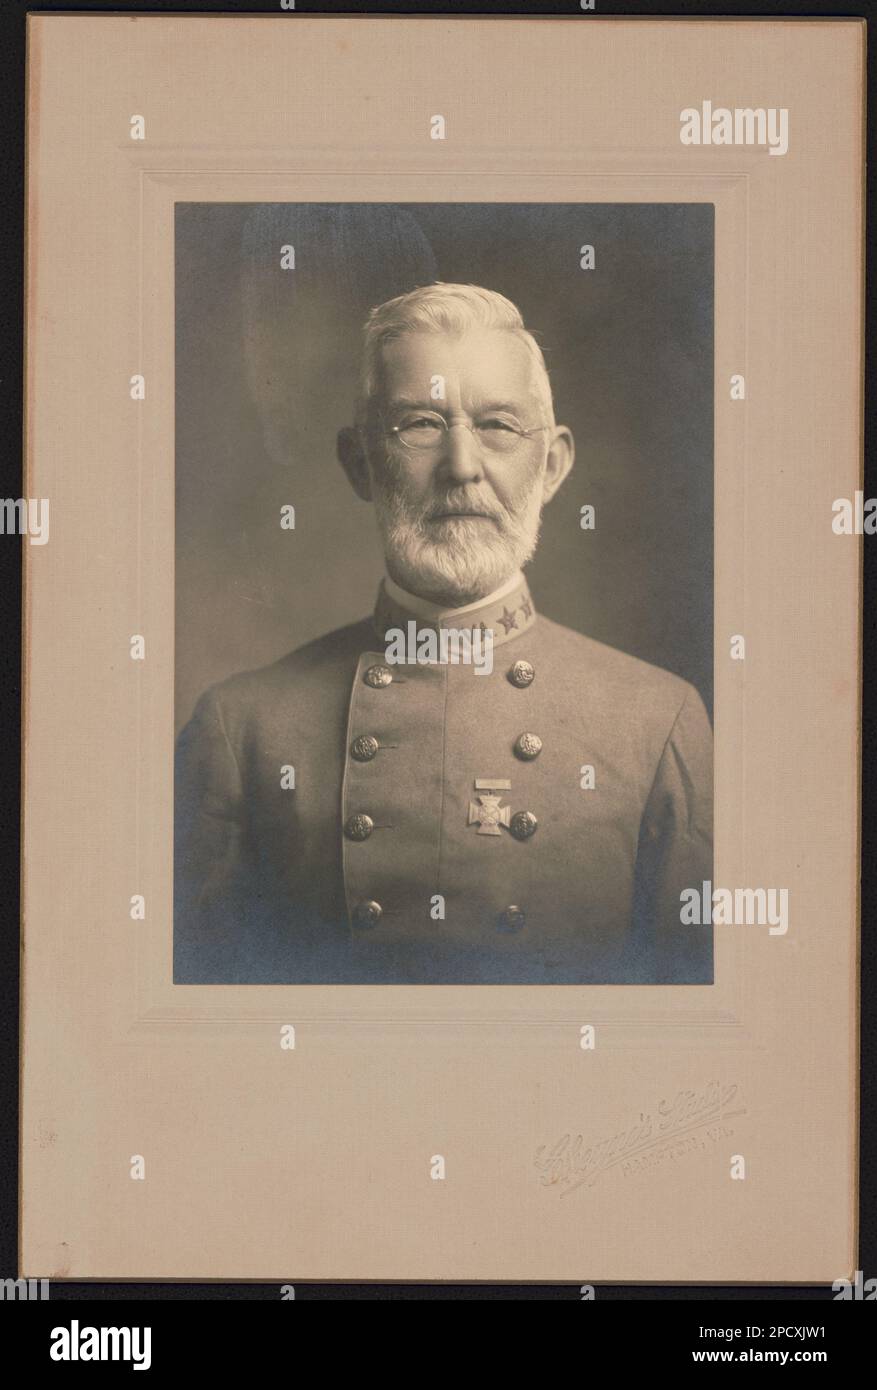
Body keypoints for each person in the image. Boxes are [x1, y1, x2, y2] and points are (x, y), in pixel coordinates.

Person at [174, 282, 713, 985]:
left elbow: (690, 1030)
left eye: (497, 425)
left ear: (550, 464)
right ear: (360, 462)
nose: (462, 467)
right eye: (420, 424)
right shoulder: (241, 730)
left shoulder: (658, 721)